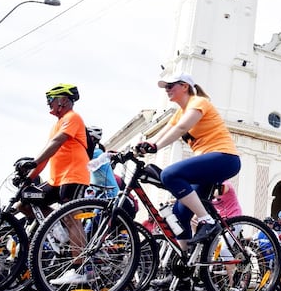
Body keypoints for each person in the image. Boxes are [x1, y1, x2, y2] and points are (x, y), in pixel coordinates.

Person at [135, 73, 241, 249]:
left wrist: (156, 147)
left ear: (184, 86)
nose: (167, 90)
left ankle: (207, 221)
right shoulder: (179, 113)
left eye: (170, 86)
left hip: (225, 157)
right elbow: (162, 133)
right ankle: (184, 266)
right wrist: (143, 147)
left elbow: (181, 128)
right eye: (165, 87)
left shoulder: (198, 102)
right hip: (207, 167)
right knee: (178, 214)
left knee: (169, 174)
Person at [14, 84, 91, 285]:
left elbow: (56, 143)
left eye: (51, 98)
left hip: (74, 176)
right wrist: (29, 177)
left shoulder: (72, 117)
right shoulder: (57, 123)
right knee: (24, 203)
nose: (48, 102)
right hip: (56, 180)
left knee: (72, 218)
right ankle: (60, 233)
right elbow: (46, 157)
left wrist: (31, 162)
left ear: (63, 100)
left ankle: (79, 269)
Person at [85, 126, 119, 198]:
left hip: (109, 194)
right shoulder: (96, 152)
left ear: (92, 138)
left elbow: (88, 166)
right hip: (102, 193)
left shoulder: (96, 153)